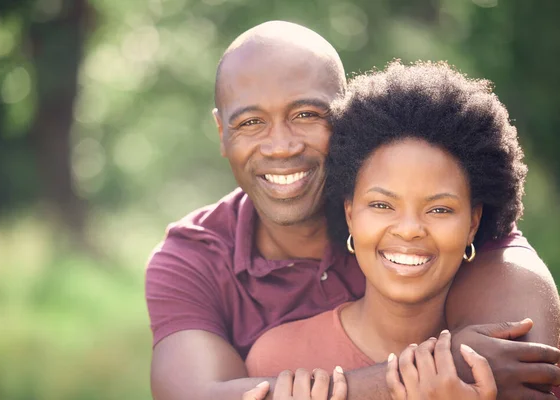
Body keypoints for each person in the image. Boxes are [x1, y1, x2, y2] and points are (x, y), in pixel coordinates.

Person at [146, 21, 560, 400]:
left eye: (306, 115)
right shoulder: (193, 257)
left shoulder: (448, 220)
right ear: (222, 132)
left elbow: (517, 370)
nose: (281, 146)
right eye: (251, 123)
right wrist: (429, 370)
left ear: (345, 117)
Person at [245, 60, 540, 399]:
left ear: (473, 223)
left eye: (439, 209)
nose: (410, 229)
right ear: (350, 213)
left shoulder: (504, 353)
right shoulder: (279, 361)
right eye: (382, 205)